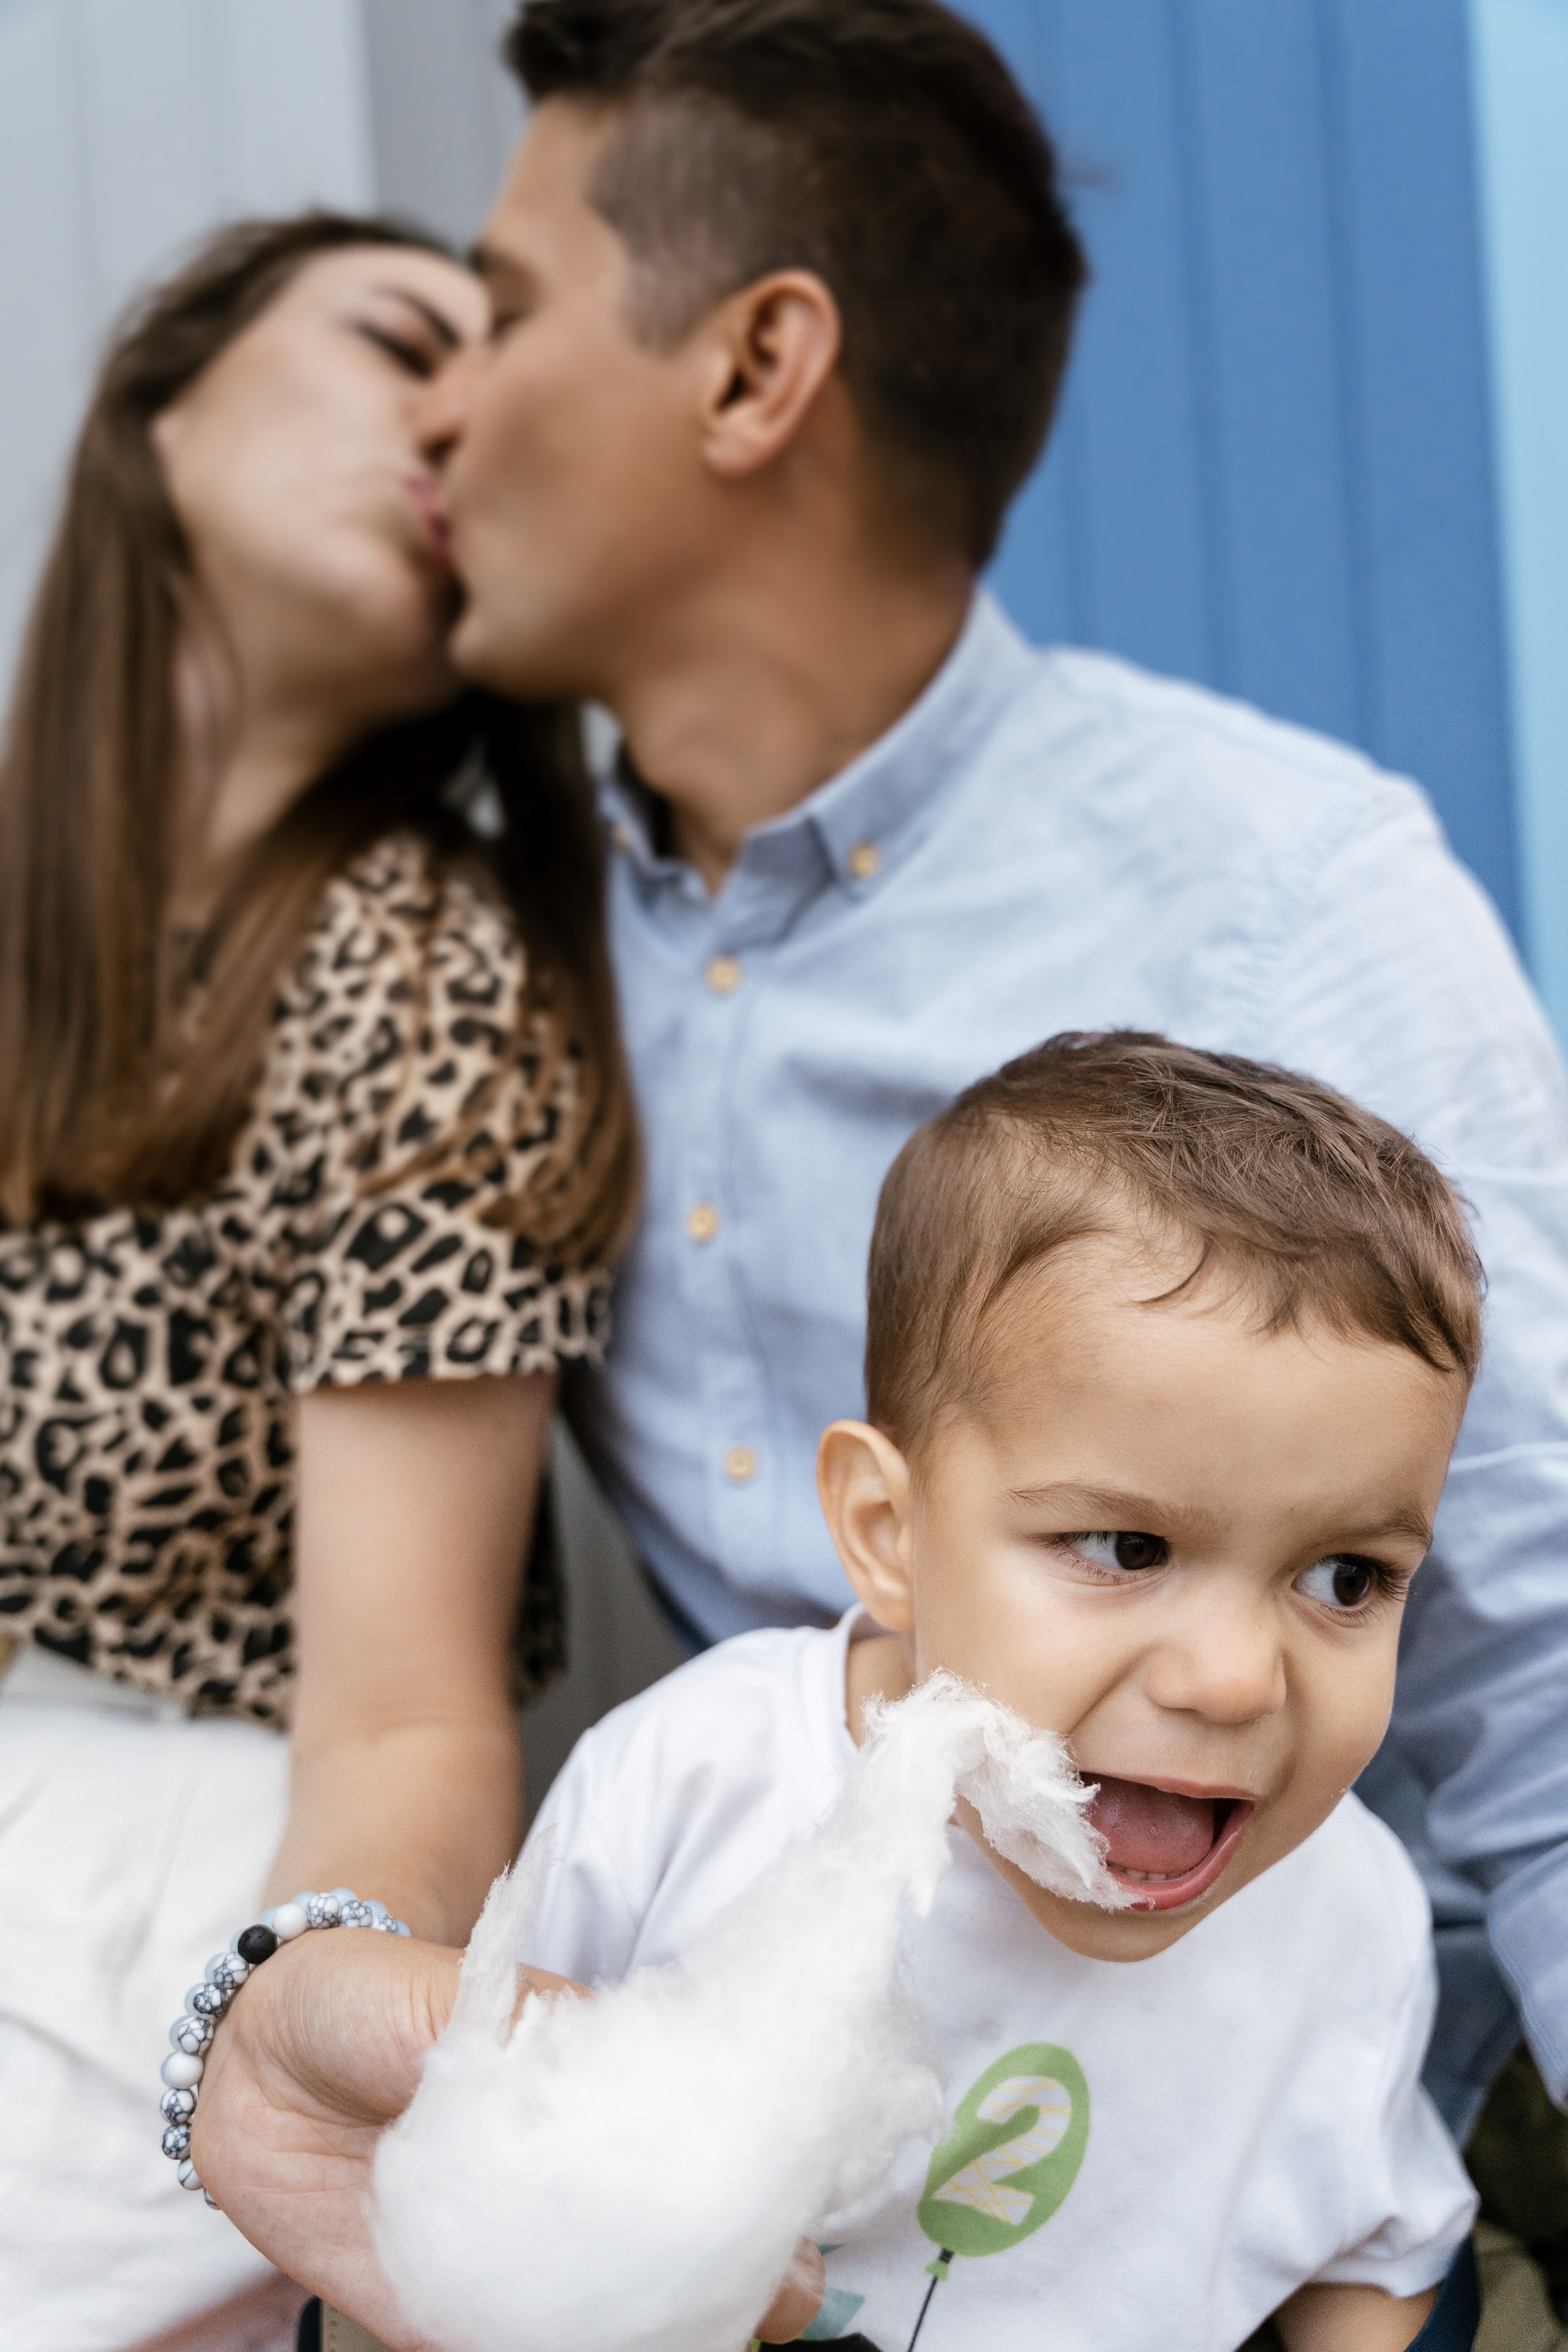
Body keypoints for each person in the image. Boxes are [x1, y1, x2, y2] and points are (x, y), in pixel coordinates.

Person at [405, 0, 1568, 2152]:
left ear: (758, 368)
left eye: (496, 312)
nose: (438, 420)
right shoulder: (481, 967)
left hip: (1301, 2152)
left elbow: (1556, 1702)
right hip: (808, 2145)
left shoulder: (1285, 907)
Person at [194, 1033, 1487, 2351]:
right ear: (885, 1530)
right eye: (1122, 1550)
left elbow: (1373, 2252)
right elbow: (463, 2164)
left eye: (1343, 1578)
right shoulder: (695, 1787)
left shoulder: (1349, 1916)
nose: (1230, 1681)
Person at [0, 212, 635, 2351]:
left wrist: (304, 2034)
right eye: (396, 344)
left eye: (494, 380)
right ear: (159, 405)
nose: (455, 414)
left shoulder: (427, 975)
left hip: (144, 1908)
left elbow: (402, 1711)